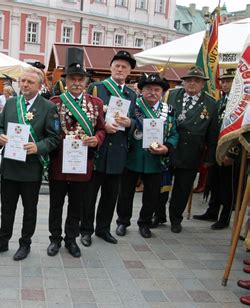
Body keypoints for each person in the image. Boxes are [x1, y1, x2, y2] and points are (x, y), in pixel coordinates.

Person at [0, 67, 60, 261]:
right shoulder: (10, 103)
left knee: (29, 210)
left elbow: (54, 138)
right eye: (22, 81)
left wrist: (38, 147)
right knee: (6, 208)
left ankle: (25, 243)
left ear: (40, 85)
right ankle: (2, 242)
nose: (25, 85)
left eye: (30, 82)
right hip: (9, 166)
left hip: (31, 168)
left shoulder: (48, 107)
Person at [47, 63, 106, 257]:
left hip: (83, 164)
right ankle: (55, 239)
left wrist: (96, 139)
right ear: (66, 80)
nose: (77, 83)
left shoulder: (95, 103)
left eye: (81, 79)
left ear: (87, 82)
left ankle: (71, 239)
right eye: (73, 78)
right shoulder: (55, 102)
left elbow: (101, 129)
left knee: (77, 204)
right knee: (56, 204)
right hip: (59, 162)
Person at [80, 50, 136, 244]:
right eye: (117, 66)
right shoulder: (97, 88)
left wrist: (131, 123)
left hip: (118, 152)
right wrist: (103, 126)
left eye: (124, 67)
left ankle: (103, 229)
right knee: (89, 195)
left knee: (110, 195)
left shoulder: (131, 94)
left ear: (129, 72)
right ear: (111, 68)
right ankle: (86, 230)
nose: (120, 70)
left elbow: (135, 121)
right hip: (98, 150)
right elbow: (85, 116)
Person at [116, 74, 178, 238]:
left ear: (162, 92)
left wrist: (167, 148)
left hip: (155, 159)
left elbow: (174, 133)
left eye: (157, 89)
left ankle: (144, 223)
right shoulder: (131, 107)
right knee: (125, 194)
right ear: (141, 90)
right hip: (132, 157)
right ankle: (122, 222)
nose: (152, 92)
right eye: (148, 89)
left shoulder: (168, 110)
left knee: (151, 196)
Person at [159, 66, 219, 233]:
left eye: (197, 80)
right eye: (189, 80)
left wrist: (209, 158)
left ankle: (176, 219)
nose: (192, 83)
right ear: (183, 82)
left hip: (191, 152)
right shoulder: (170, 95)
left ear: (202, 84)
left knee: (183, 188)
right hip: (168, 149)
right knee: (161, 185)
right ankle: (158, 215)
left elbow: (213, 134)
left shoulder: (211, 103)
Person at [193, 68, 239, 229]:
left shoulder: (240, 105)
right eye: (223, 81)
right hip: (215, 149)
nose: (224, 84)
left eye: (228, 81)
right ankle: (212, 210)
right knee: (214, 182)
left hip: (230, 152)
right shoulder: (220, 101)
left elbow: (240, 132)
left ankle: (224, 217)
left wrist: (232, 153)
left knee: (228, 186)